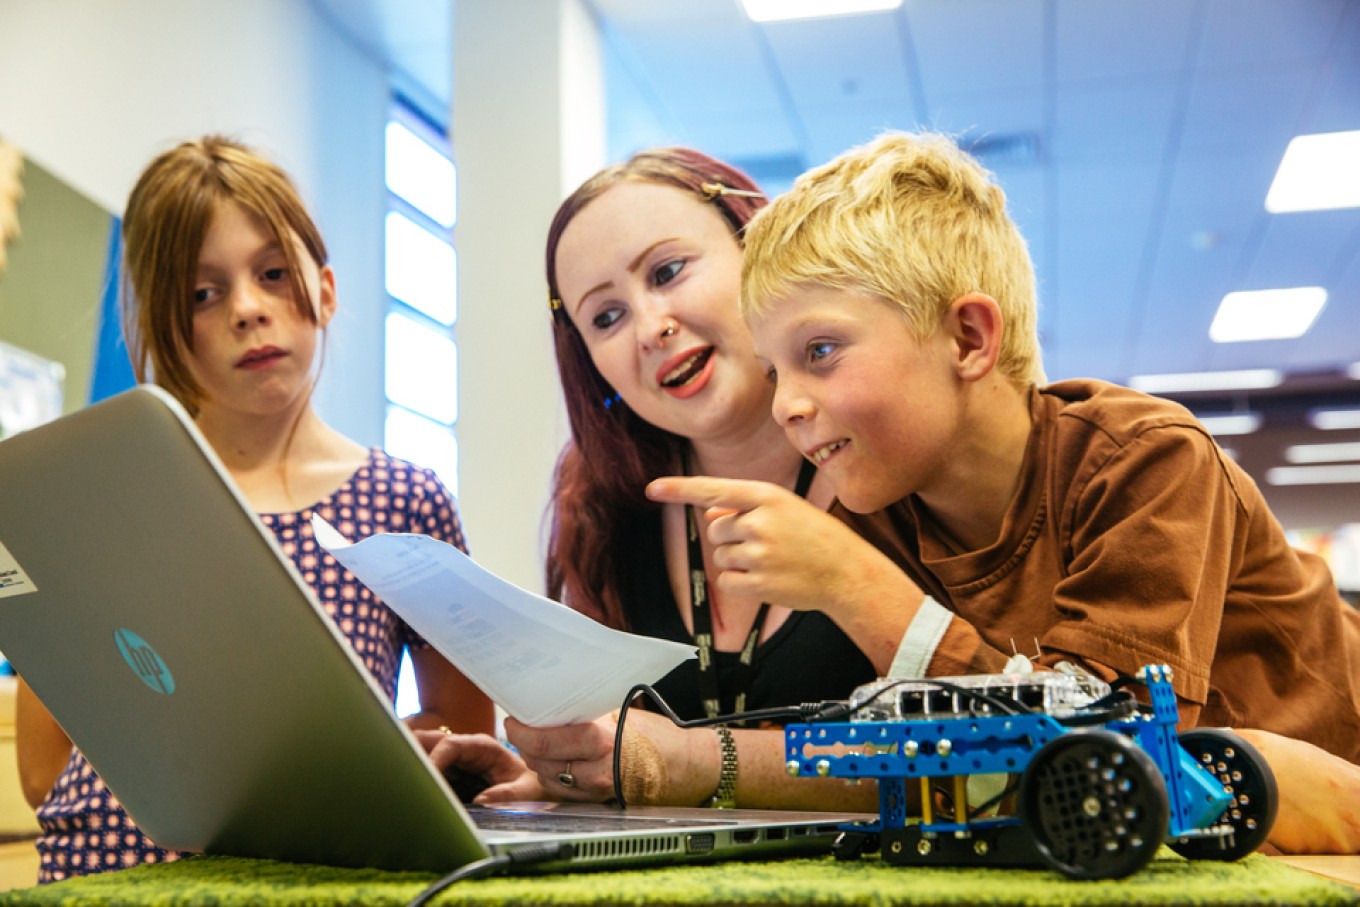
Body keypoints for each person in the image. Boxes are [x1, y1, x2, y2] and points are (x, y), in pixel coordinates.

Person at [645, 130, 1360, 853]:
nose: (785, 405)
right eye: (775, 372)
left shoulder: (1145, 458)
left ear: (966, 338)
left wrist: (857, 587)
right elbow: (918, 755)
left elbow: (1111, 758)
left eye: (819, 352)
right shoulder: (884, 516)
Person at [15, 135, 495, 882]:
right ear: (170, 323)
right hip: (102, 879)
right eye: (202, 294)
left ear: (326, 289)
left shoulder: (408, 502)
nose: (246, 309)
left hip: (309, 880)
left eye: (273, 274)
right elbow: (43, 771)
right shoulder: (100, 503)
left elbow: (468, 738)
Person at [423, 148, 915, 811]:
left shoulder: (896, 454)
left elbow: (969, 753)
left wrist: (698, 761)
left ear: (758, 248)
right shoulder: (602, 500)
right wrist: (548, 774)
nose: (651, 327)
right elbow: (626, 749)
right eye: (605, 316)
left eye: (668, 271)